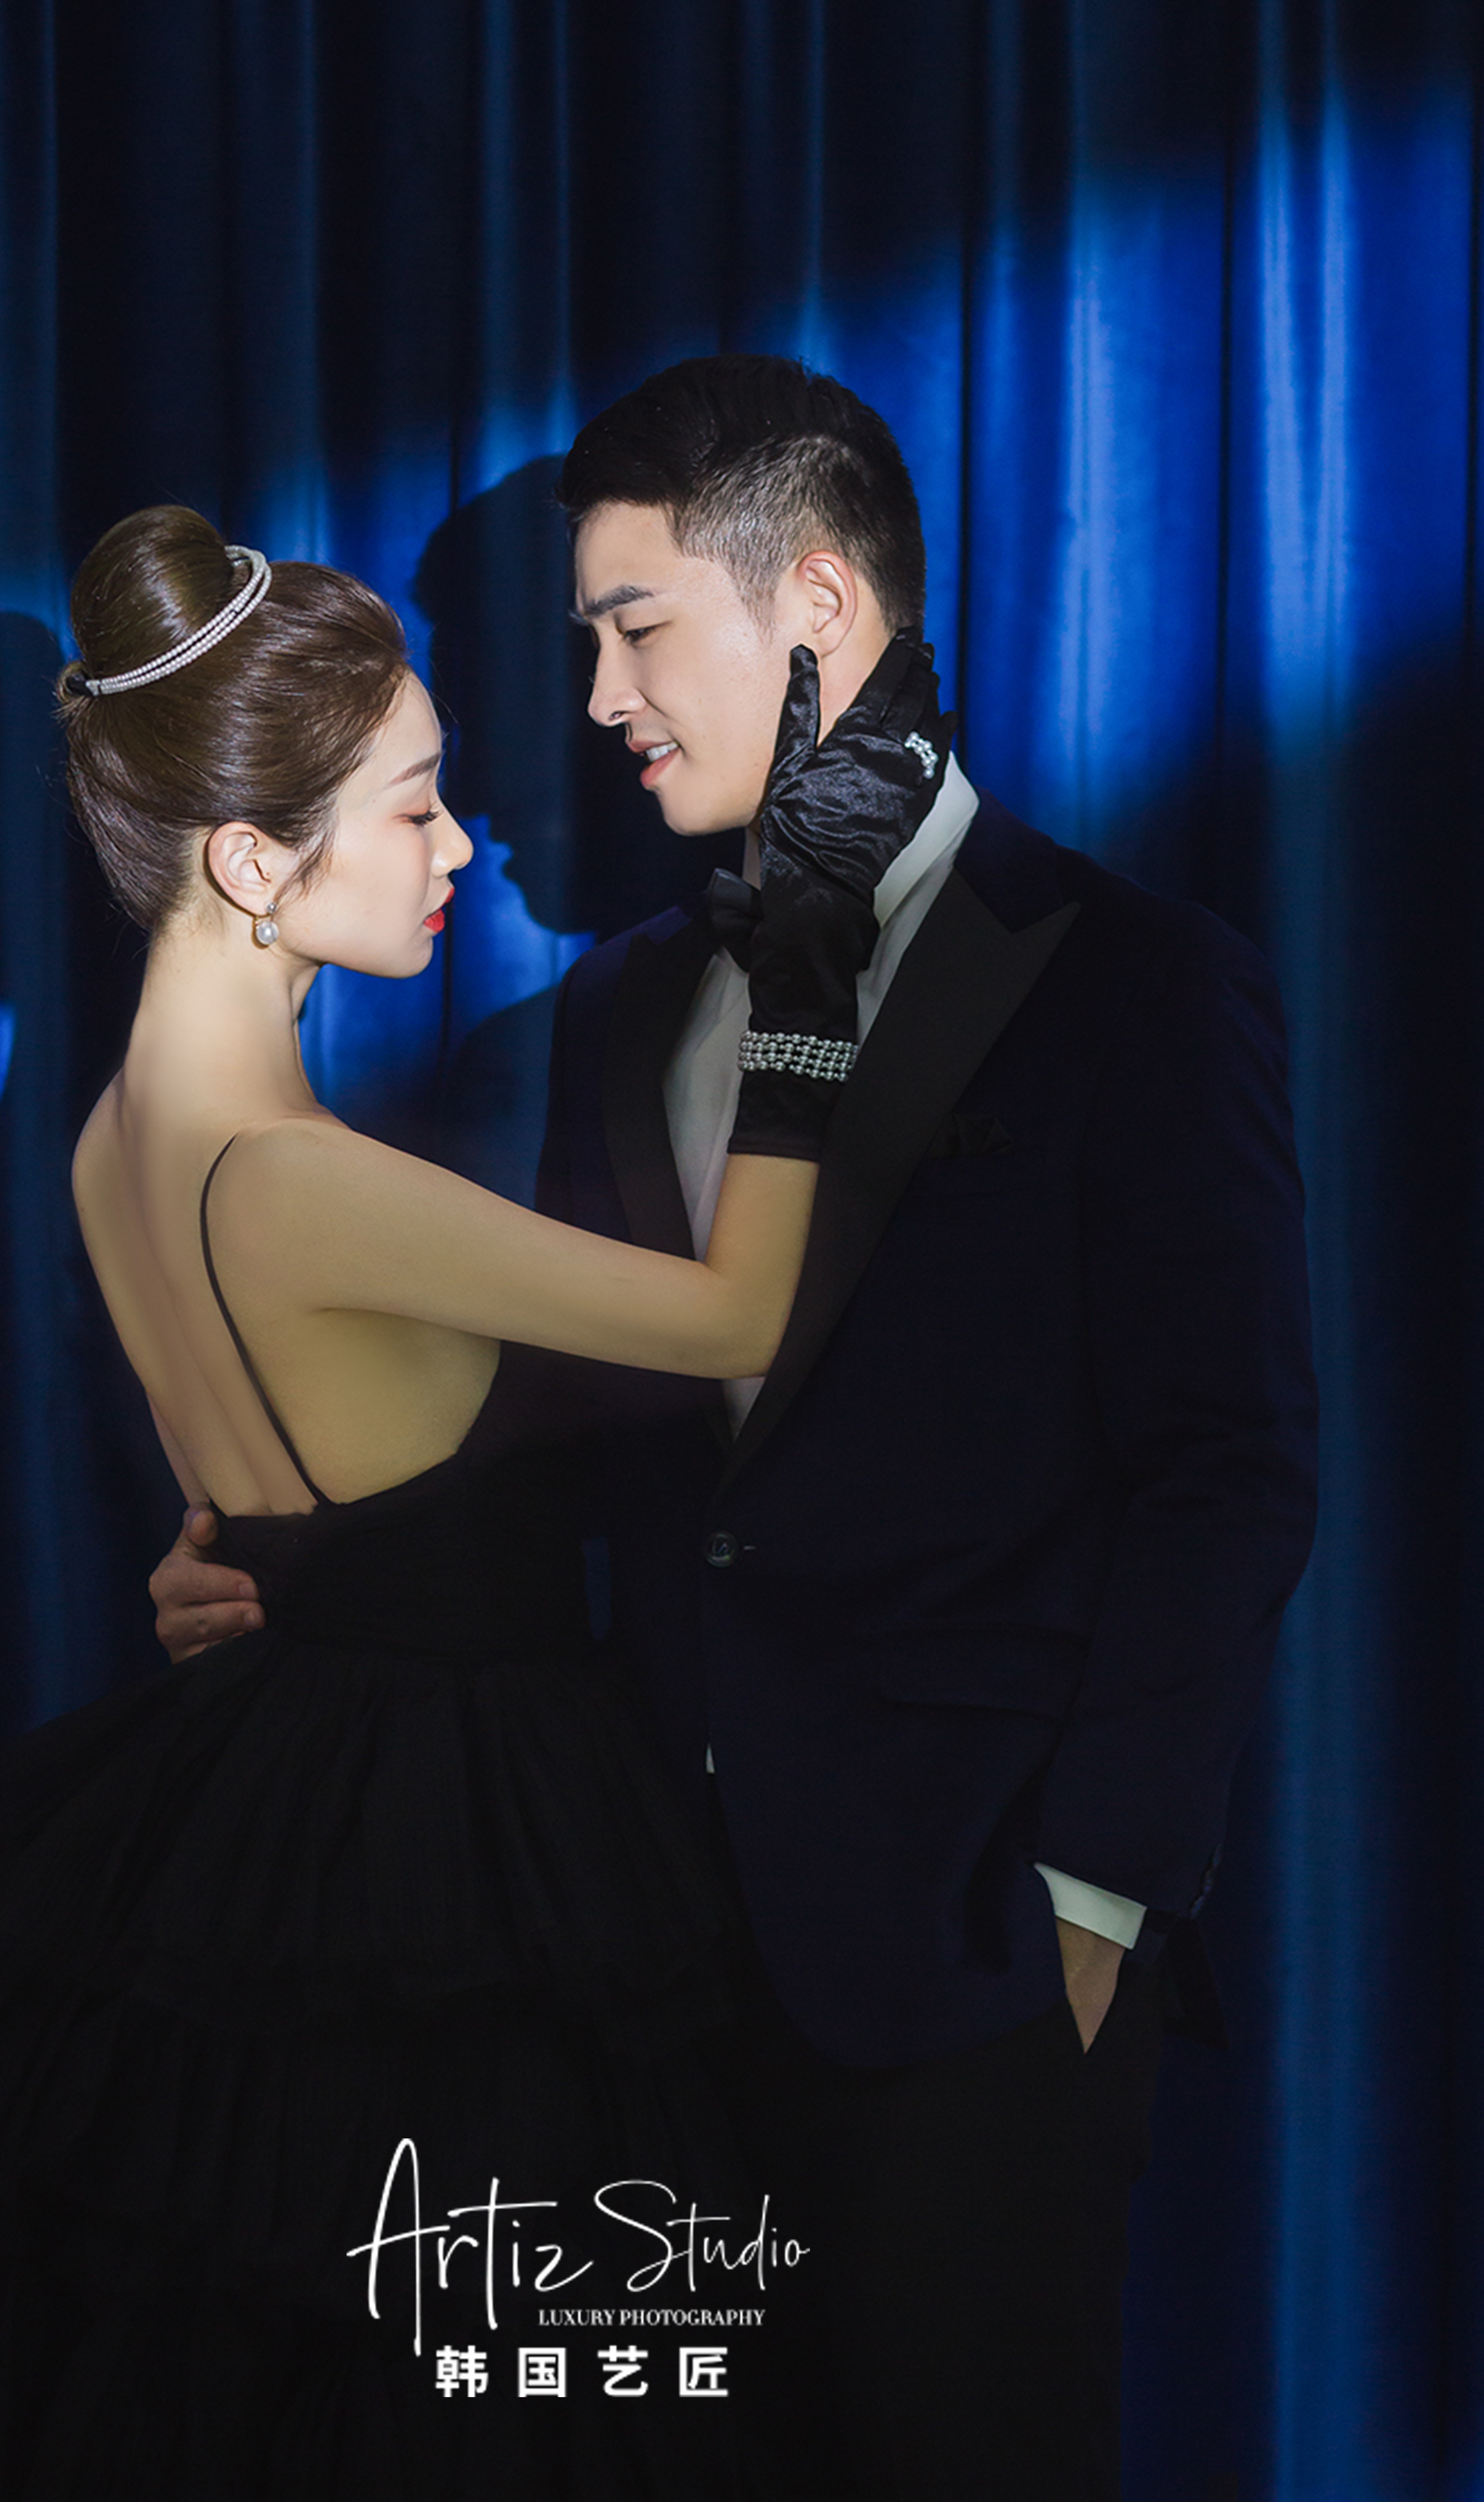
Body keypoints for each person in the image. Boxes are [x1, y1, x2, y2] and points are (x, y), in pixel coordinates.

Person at [156, 358, 1320, 2499]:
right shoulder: (624, 1001)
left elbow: (1228, 1473)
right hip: (648, 1961)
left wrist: (1088, 1904)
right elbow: (590, 1445)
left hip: (975, 1954)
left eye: (632, 628)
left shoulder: (1136, 983)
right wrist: (290, 1558)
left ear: (818, 608)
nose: (597, 701)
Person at [0, 501, 953, 2497]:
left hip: (267, 1804)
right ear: (252, 860)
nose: (461, 850)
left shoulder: (105, 1141)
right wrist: (806, 984)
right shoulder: (300, 1177)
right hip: (457, 1850)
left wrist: (223, 1567)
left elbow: (249, 1528)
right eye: (414, 809)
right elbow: (742, 1312)